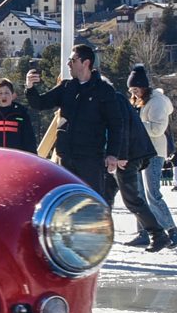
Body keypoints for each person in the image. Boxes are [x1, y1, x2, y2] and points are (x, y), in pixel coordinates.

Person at [25, 44, 124, 200]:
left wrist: (112, 154)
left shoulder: (104, 90)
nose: (68, 64)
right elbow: (40, 103)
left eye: (72, 60)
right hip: (65, 157)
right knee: (67, 203)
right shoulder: (66, 87)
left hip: (91, 158)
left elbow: (116, 124)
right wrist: (30, 88)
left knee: (91, 202)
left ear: (86, 63)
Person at [127, 65, 177, 250]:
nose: (134, 93)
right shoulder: (138, 101)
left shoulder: (157, 102)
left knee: (153, 195)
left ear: (144, 87)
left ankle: (173, 231)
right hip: (139, 152)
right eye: (131, 90)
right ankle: (144, 232)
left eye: (136, 89)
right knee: (139, 195)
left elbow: (157, 129)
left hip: (154, 153)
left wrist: (137, 123)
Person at [0, 78, 38, 153]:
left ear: (13, 95)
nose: (3, 96)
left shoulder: (21, 114)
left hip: (16, 158)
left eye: (7, 93)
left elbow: (29, 140)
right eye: (0, 93)